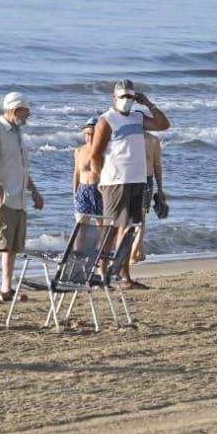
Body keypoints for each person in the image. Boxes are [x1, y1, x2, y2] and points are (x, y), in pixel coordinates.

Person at [87, 79, 169, 288]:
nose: (126, 100)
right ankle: (101, 273)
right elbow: (95, 153)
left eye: (130, 97)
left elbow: (163, 125)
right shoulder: (107, 120)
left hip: (137, 179)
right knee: (111, 228)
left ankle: (125, 276)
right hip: (115, 180)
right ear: (114, 97)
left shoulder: (137, 117)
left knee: (130, 228)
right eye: (122, 96)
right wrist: (99, 176)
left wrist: (148, 104)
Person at [0, 91, 44, 302]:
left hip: (19, 199)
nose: (29, 115)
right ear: (15, 110)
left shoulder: (17, 134)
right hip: (1, 198)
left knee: (12, 247)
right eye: (26, 111)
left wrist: (34, 191)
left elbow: (22, 169)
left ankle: (6, 289)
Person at [129, 129, 168, 268]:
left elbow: (157, 165)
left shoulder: (152, 140)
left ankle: (134, 253)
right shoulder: (127, 138)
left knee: (140, 219)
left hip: (145, 181)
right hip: (129, 181)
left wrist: (160, 188)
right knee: (129, 219)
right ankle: (138, 250)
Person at [72, 117, 103, 219]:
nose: (90, 137)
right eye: (87, 134)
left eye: (93, 134)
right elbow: (76, 173)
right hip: (83, 190)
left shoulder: (104, 151)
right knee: (80, 224)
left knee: (102, 225)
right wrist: (75, 192)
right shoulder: (79, 151)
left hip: (99, 190)